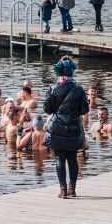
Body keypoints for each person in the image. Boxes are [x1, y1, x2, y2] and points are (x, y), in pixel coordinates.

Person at [43, 56, 89, 199]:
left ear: (59, 72)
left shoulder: (53, 88)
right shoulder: (79, 89)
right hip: (73, 128)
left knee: (59, 158)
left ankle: (63, 190)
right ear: (71, 72)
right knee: (72, 158)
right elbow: (84, 110)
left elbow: (48, 109)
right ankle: (72, 189)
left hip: (57, 128)